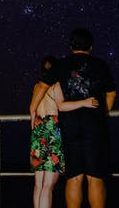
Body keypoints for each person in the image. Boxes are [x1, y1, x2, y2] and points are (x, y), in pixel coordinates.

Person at [31, 29, 117, 208]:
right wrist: (103, 113)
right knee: (95, 176)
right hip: (94, 124)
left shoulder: (61, 65)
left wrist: (32, 110)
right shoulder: (100, 65)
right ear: (91, 47)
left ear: (71, 46)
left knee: (74, 176)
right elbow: (111, 93)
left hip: (69, 125)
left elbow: (41, 87)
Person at [30, 55, 98, 208]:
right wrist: (84, 102)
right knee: (48, 185)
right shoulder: (56, 85)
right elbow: (61, 106)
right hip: (52, 130)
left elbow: (32, 111)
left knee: (39, 185)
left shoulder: (36, 87)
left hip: (38, 128)